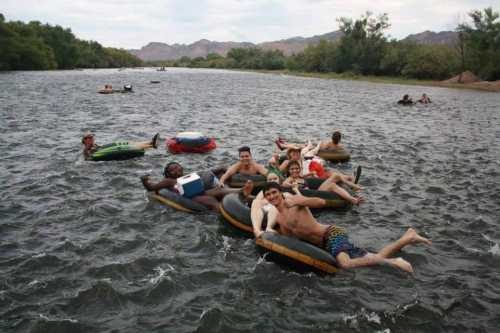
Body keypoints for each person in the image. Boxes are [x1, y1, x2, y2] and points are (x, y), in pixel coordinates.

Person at [259, 182, 431, 272]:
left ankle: (393, 261)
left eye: (274, 192)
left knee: (346, 265)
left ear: (280, 193)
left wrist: (301, 200)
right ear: (266, 198)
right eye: (268, 195)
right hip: (323, 245)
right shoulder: (278, 218)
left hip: (332, 234)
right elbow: (281, 236)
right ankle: (407, 237)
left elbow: (321, 201)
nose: (272, 196)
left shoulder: (293, 202)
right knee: (370, 257)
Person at [141, 162, 253, 213]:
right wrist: (145, 180)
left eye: (177, 167)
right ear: (168, 174)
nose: (176, 170)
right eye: (172, 170)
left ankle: (247, 195)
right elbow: (152, 187)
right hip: (193, 197)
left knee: (219, 190)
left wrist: (224, 169)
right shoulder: (169, 181)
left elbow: (210, 172)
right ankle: (236, 208)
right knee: (212, 202)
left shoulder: (189, 175)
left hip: (204, 191)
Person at [283, 160, 363, 205]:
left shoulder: (301, 177)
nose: (295, 170)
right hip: (314, 194)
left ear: (299, 169)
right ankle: (352, 198)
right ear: (288, 171)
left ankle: (352, 184)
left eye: (296, 168)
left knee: (335, 175)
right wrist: (291, 185)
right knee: (332, 185)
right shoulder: (290, 179)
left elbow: (311, 176)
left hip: (316, 191)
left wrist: (314, 174)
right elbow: (284, 184)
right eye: (292, 169)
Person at [82, 131, 159, 160]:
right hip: (100, 155)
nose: (92, 138)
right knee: (124, 147)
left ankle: (151, 142)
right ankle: (151, 145)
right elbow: (88, 158)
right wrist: (91, 152)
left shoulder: (94, 144)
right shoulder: (86, 148)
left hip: (102, 151)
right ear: (85, 140)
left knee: (128, 143)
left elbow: (100, 148)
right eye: (90, 137)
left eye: (92, 137)